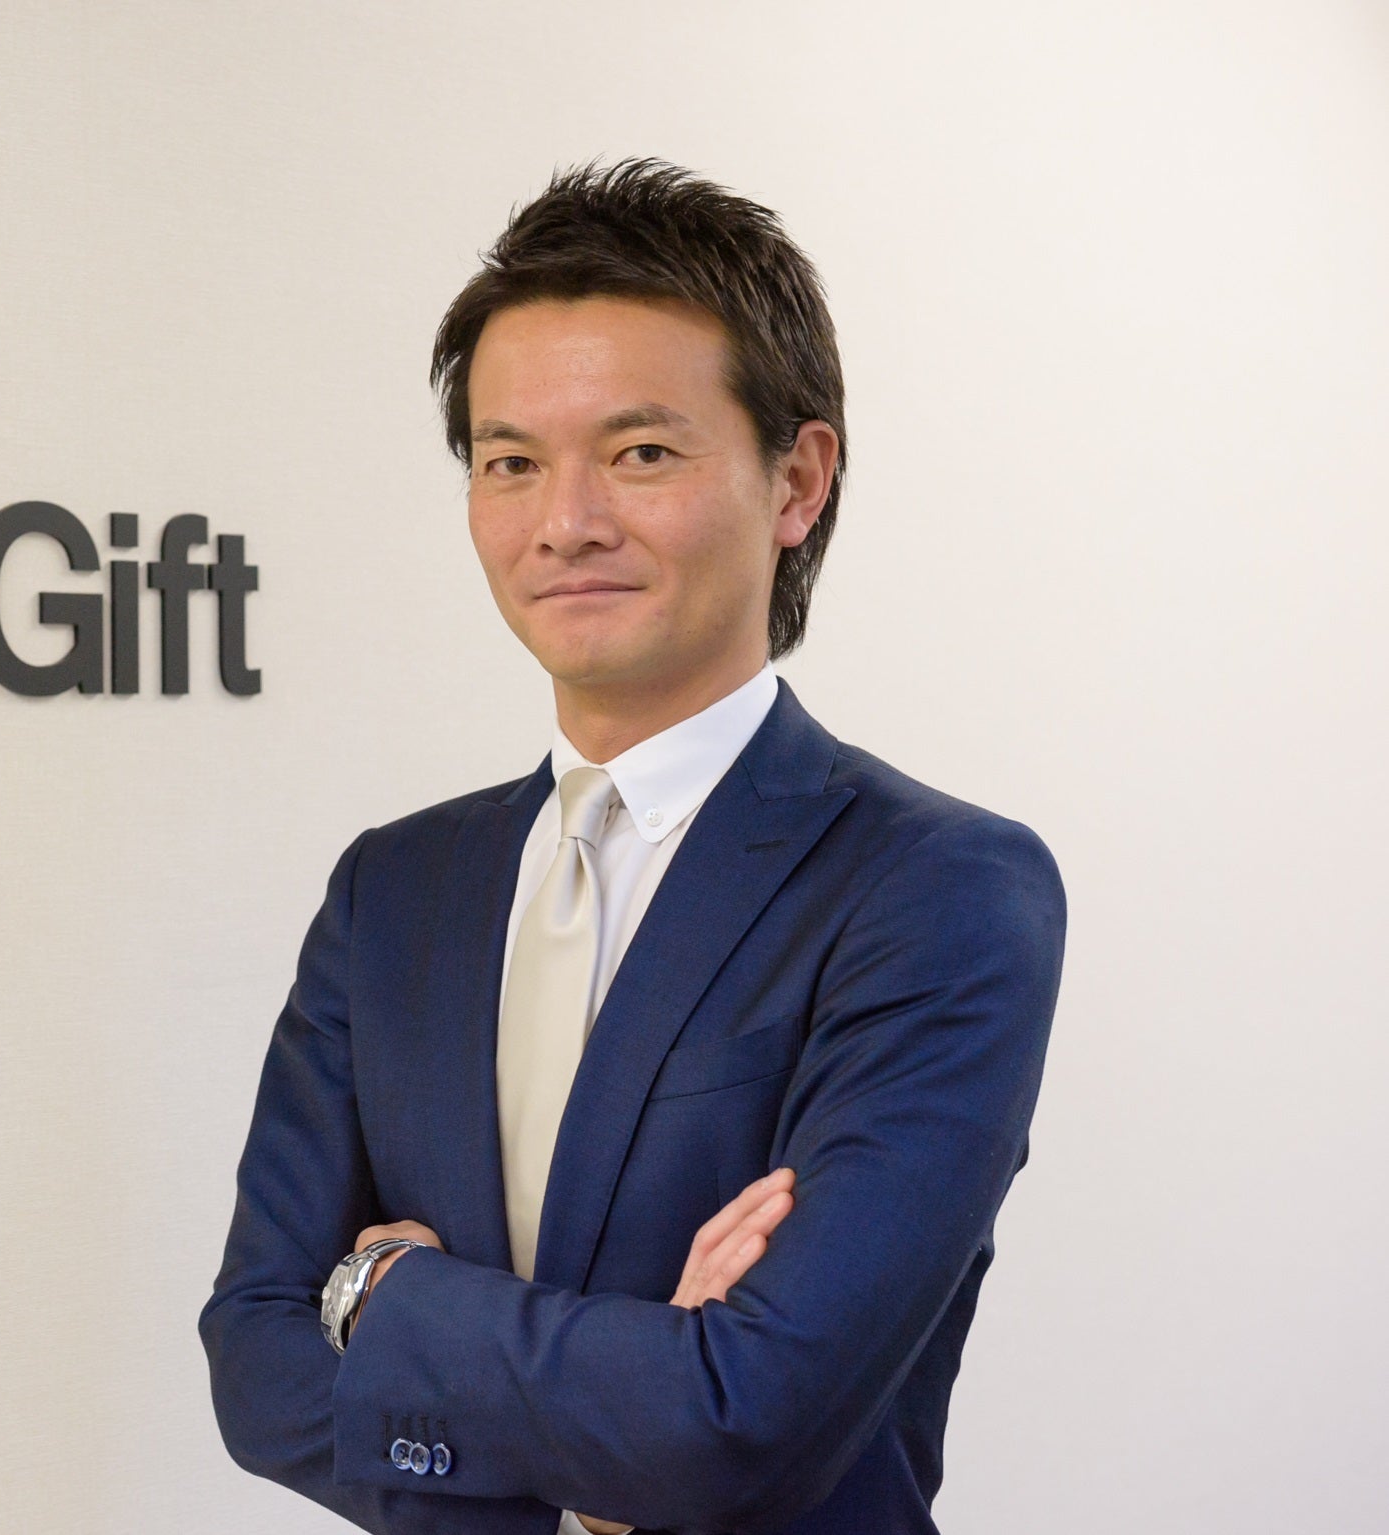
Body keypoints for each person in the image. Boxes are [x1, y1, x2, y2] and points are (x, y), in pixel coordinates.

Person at [198, 161, 1066, 1535]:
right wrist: (617, 1450)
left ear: (798, 481)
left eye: (642, 454)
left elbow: (748, 1419)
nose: (567, 522)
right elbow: (256, 1365)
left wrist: (384, 1299)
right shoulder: (394, 893)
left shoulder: (935, 891)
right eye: (511, 463)